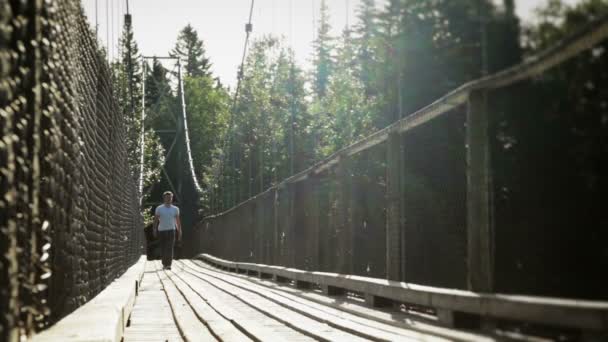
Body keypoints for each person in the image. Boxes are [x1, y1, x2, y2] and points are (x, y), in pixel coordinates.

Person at [154, 191, 182, 270]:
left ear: (172, 198)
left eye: (170, 198)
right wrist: (154, 229)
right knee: (163, 248)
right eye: (167, 197)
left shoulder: (175, 209)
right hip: (161, 230)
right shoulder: (159, 208)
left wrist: (179, 231)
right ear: (164, 198)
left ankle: (168, 264)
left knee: (169, 247)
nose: (168, 199)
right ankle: (164, 263)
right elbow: (156, 220)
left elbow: (177, 221)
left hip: (171, 230)